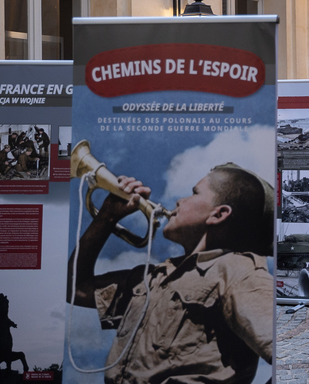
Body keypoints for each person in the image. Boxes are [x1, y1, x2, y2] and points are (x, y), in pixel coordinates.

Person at [66, 163, 275, 383]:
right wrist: (107, 217)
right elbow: (76, 289)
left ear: (219, 214)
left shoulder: (237, 271)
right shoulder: (149, 279)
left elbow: (292, 356)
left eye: (193, 193)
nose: (179, 201)